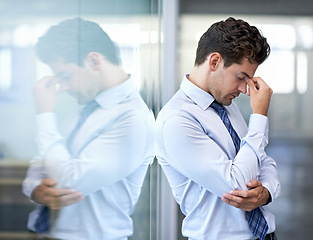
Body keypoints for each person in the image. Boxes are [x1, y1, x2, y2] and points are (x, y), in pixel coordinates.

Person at [23, 18, 154, 240]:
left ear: (93, 61)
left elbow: (69, 181)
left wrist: (44, 115)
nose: (63, 88)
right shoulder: (84, 106)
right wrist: (35, 188)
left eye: (66, 76)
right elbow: (45, 159)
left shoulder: (132, 119)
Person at [155, 17, 280, 240]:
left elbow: (261, 160)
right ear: (214, 62)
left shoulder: (224, 103)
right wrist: (259, 116)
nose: (244, 89)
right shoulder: (177, 119)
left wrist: (267, 192)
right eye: (241, 77)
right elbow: (237, 184)